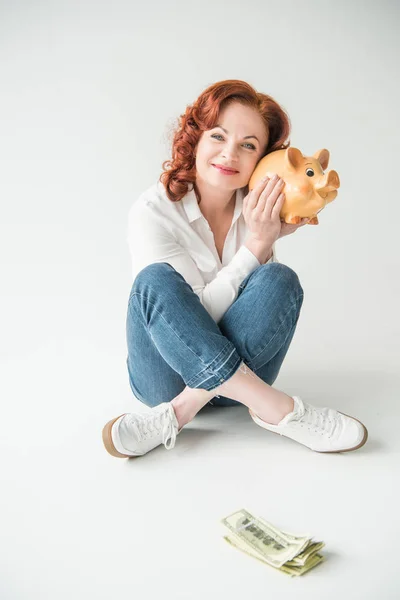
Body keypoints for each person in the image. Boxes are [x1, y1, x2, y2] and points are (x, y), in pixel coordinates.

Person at [102, 79, 368, 459]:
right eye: (218, 136)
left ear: (263, 159)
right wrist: (257, 245)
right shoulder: (153, 212)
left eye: (248, 145)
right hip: (162, 381)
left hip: (230, 396)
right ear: (194, 138)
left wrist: (267, 233)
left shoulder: (258, 209)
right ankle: (279, 410)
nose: (230, 154)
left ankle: (178, 414)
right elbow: (189, 323)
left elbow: (245, 314)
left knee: (280, 280)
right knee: (153, 282)